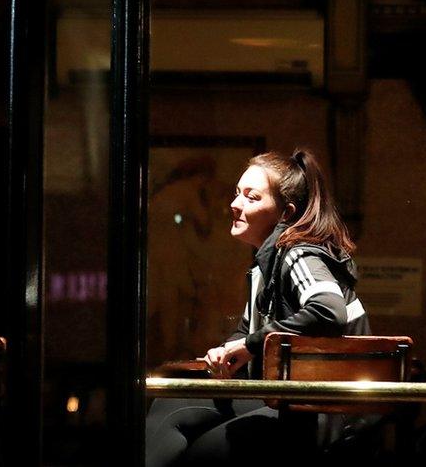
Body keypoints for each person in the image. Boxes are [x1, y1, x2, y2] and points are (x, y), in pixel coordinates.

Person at [146, 149, 372, 466]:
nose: (235, 204)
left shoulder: (298, 253)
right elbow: (246, 332)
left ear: (285, 214)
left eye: (252, 198)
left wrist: (250, 345)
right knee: (168, 407)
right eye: (238, 193)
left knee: (203, 451)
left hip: (322, 409)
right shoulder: (265, 265)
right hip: (291, 399)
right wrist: (227, 349)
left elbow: (328, 310)